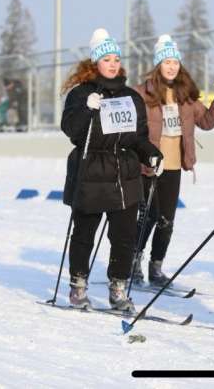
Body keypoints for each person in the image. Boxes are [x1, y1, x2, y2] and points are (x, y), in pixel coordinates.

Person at [60, 28, 163, 311]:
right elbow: (72, 130)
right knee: (84, 233)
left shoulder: (131, 97)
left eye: (116, 58)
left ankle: (118, 288)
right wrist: (87, 109)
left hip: (125, 174)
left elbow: (139, 136)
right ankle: (78, 286)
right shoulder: (81, 94)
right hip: (92, 171)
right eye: (107, 59)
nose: (113, 63)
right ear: (95, 63)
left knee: (125, 237)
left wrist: (151, 154)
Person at [132, 34, 214, 286]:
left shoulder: (185, 96)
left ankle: (156, 266)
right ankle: (133, 261)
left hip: (174, 166)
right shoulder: (143, 94)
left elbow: (206, 122)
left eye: (175, 62)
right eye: (167, 62)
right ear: (158, 65)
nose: (172, 66)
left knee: (166, 220)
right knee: (148, 216)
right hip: (149, 166)